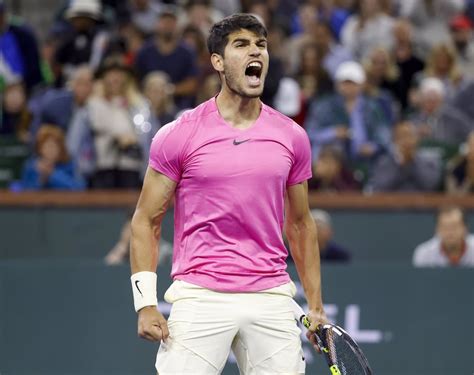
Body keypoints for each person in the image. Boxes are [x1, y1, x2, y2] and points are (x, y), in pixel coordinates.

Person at [129, 13, 327, 375]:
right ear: (217, 62)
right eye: (242, 45)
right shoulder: (179, 134)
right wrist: (145, 302)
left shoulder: (292, 136)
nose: (256, 52)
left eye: (261, 45)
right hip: (200, 293)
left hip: (270, 294)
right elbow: (146, 219)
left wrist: (315, 305)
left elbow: (300, 224)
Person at [368, 121, 442, 192]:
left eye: (410, 136)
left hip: (422, 203)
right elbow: (380, 187)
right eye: (402, 137)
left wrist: (412, 161)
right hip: (393, 204)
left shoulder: (430, 160)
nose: (406, 141)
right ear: (394, 141)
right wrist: (401, 164)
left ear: (417, 139)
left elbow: (430, 185)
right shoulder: (383, 162)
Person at [18, 125, 85, 190]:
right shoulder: (32, 166)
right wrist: (41, 180)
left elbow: (79, 188)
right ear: (40, 149)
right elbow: (25, 191)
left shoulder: (70, 165)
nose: (50, 151)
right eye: (47, 147)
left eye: (54, 146)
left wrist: (53, 173)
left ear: (61, 148)